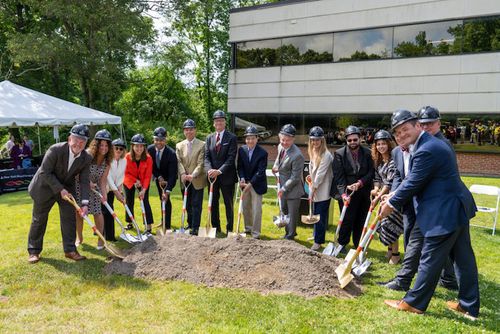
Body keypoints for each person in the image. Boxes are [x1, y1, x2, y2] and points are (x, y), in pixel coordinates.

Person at [381, 110, 479, 320]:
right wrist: (393, 194)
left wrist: (391, 203)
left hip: (444, 212)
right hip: (455, 207)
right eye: (397, 133)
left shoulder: (427, 149)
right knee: (463, 258)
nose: (401, 135)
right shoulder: (427, 144)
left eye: (405, 129)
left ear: (418, 126)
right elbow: (414, 180)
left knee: (430, 257)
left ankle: (415, 303)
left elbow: (414, 182)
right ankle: (468, 305)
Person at [27, 124, 92, 264]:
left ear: (86, 143)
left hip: (67, 188)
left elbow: (85, 181)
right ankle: (34, 251)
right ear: (69, 139)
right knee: (39, 219)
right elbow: (45, 171)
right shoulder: (55, 150)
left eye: (82, 141)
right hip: (44, 187)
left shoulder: (86, 158)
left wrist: (85, 203)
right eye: (76, 139)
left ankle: (70, 250)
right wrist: (60, 189)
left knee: (69, 218)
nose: (78, 144)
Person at [331, 125, 374, 250]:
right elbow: (339, 176)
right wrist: (344, 194)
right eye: (350, 140)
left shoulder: (368, 153)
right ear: (346, 141)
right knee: (346, 220)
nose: (352, 142)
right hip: (347, 193)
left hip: (364, 192)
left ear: (360, 139)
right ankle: (342, 243)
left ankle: (357, 246)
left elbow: (371, 172)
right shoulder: (339, 154)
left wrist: (360, 183)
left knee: (361, 220)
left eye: (355, 139)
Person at [75, 129, 113, 249]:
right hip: (80, 186)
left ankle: (101, 240)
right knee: (79, 213)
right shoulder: (87, 155)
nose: (104, 148)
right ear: (96, 144)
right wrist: (87, 182)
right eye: (101, 145)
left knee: (98, 212)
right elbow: (76, 172)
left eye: (106, 145)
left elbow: (102, 180)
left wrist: (104, 194)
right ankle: (79, 237)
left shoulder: (107, 161)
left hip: (95, 188)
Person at [370, 129, 403, 264]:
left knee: (391, 225)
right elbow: (377, 178)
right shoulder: (379, 160)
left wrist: (377, 198)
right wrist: (376, 189)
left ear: (389, 144)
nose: (381, 146)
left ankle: (395, 255)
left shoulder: (393, 161)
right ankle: (389, 250)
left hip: (392, 198)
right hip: (383, 196)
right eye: (378, 144)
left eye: (383, 143)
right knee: (384, 224)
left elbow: (389, 183)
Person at [204, 110, 238, 234]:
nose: (219, 122)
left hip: (227, 177)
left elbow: (231, 158)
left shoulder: (232, 138)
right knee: (213, 203)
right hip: (212, 178)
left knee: (228, 204)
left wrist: (219, 171)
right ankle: (216, 228)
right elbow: (206, 157)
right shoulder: (209, 138)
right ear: (214, 123)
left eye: (221, 120)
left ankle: (229, 229)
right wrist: (209, 170)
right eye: (217, 120)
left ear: (225, 122)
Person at [271, 124, 305, 240]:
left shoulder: (297, 155)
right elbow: (278, 159)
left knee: (291, 214)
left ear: (293, 139)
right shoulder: (281, 146)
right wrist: (275, 167)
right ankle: (288, 233)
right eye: (282, 140)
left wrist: (284, 188)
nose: (284, 143)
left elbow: (295, 177)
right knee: (284, 212)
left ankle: (290, 237)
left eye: (288, 140)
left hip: (293, 189)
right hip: (283, 185)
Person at [176, 119, 206, 235]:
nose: (189, 131)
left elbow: (201, 163)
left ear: (195, 130)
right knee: (187, 203)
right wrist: (183, 174)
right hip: (184, 180)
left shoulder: (202, 145)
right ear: (184, 131)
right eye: (187, 129)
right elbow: (178, 162)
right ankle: (189, 223)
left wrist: (192, 175)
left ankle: (196, 227)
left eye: (191, 129)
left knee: (196, 204)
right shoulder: (179, 145)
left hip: (196, 179)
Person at [237, 126, 268, 239]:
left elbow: (260, 172)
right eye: (248, 138)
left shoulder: (262, 153)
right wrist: (242, 178)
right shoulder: (242, 150)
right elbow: (239, 167)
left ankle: (256, 233)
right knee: (246, 207)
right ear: (245, 139)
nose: (250, 141)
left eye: (252, 138)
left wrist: (250, 185)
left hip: (257, 184)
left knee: (256, 209)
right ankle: (248, 228)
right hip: (245, 183)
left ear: (257, 138)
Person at [307, 126, 333, 251]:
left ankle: (318, 242)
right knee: (315, 213)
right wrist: (311, 185)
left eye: (317, 140)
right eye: (312, 140)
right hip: (315, 188)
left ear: (322, 140)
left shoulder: (326, 155)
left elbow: (320, 175)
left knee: (320, 217)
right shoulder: (314, 151)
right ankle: (316, 235)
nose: (314, 142)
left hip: (323, 190)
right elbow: (313, 172)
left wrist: (312, 190)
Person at [148, 127, 177, 231]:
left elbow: (173, 174)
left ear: (165, 140)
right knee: (161, 198)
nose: (159, 142)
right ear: (153, 139)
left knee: (166, 199)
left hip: (169, 177)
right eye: (156, 139)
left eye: (161, 140)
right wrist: (159, 177)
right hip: (159, 177)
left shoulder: (171, 154)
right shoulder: (150, 150)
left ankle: (167, 225)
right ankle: (163, 220)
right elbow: (152, 167)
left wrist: (168, 190)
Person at [123, 134, 153, 233]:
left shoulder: (148, 158)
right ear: (132, 146)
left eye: (141, 146)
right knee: (129, 201)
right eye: (137, 146)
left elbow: (148, 175)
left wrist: (144, 190)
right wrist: (135, 181)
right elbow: (125, 172)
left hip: (143, 181)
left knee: (145, 201)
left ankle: (148, 226)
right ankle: (130, 222)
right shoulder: (127, 157)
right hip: (129, 180)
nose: (139, 148)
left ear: (144, 147)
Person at [102, 138, 127, 241]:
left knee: (109, 210)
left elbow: (121, 176)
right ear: (112, 148)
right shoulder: (107, 160)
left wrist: (120, 190)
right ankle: (107, 236)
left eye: (121, 149)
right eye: (116, 148)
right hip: (105, 188)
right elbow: (108, 177)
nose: (118, 150)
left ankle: (106, 234)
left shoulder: (123, 161)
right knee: (106, 211)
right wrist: (117, 192)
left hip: (114, 190)